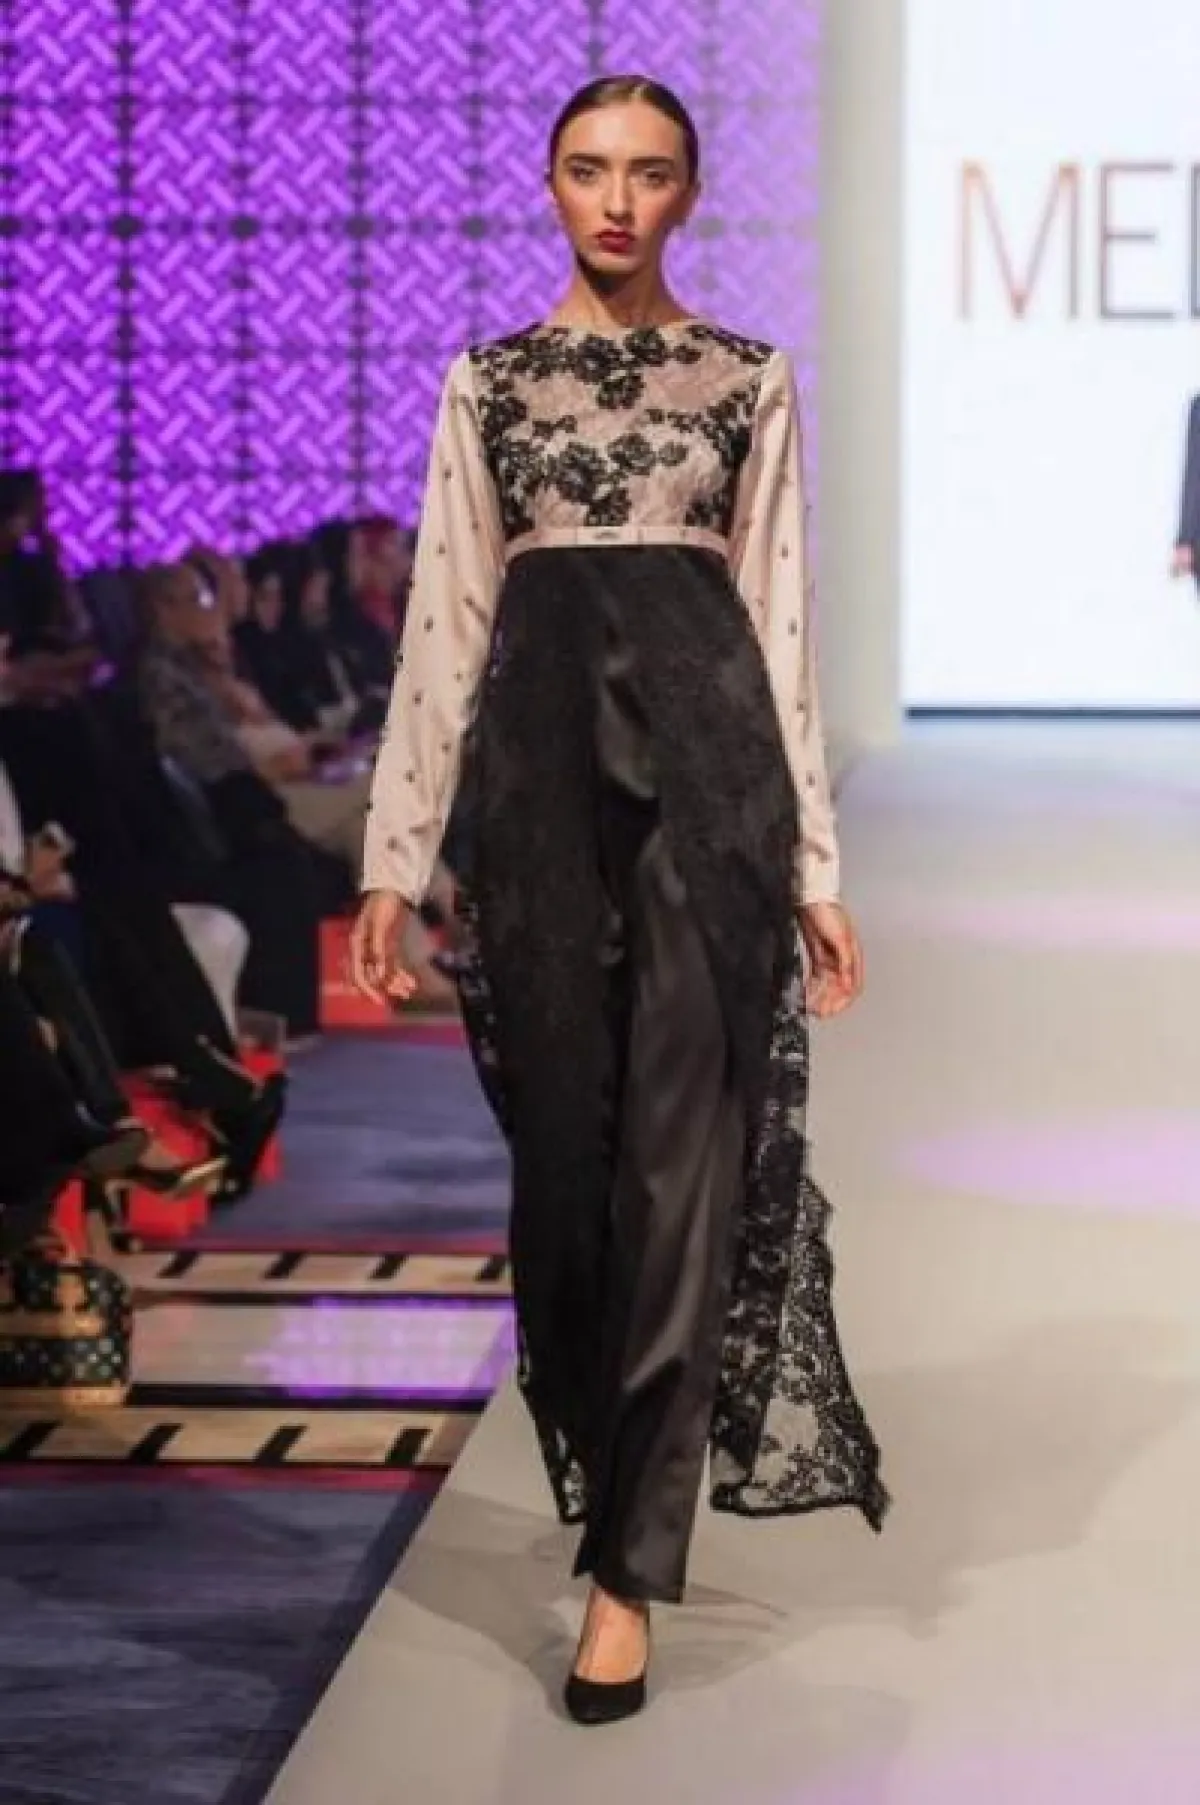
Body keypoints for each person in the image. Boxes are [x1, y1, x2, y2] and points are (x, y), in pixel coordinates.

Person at [350, 74, 888, 1725]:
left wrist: (814, 866)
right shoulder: (490, 384)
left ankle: (626, 1578)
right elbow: (445, 620)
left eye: (649, 174)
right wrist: (392, 856)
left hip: (712, 800)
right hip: (536, 804)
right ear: (549, 185)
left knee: (683, 1170)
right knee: (569, 1179)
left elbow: (781, 622)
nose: (616, 200)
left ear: (688, 196)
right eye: (589, 170)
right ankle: (608, 1471)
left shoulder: (746, 379)